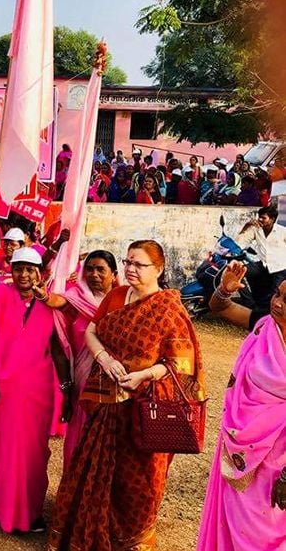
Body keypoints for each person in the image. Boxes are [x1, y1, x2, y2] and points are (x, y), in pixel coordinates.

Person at [48, 240, 205, 550]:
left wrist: (144, 375)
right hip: (107, 403)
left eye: (139, 264)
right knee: (96, 469)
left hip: (146, 408)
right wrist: (104, 358)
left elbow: (180, 363)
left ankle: (130, 539)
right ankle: (89, 533)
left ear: (158, 269)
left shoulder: (168, 308)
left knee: (140, 482)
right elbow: (92, 331)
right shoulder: (118, 295)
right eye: (128, 262)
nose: (131, 269)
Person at [0, 247, 71, 534]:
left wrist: (67, 390)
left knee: (34, 454)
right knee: (2, 450)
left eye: (30, 269)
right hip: (5, 390)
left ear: (40, 272)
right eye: (19, 268)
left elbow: (60, 354)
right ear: (11, 271)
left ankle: (32, 514)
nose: (24, 274)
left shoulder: (50, 304)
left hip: (37, 393)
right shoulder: (2, 294)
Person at [197, 270, 286, 550]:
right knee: (235, 519)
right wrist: (224, 289)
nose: (278, 303)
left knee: (265, 531)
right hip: (239, 442)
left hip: (279, 458)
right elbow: (220, 308)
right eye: (278, 294)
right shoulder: (264, 327)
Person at [36, 251, 119, 465]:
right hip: (82, 384)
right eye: (89, 269)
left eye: (101, 269)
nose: (94, 274)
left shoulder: (124, 303)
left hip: (115, 382)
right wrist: (44, 296)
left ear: (114, 274)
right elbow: (57, 301)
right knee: (78, 438)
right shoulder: (76, 300)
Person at [238, 204, 286, 306]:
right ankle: (250, 305)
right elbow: (240, 243)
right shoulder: (256, 229)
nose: (260, 220)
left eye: (263, 218)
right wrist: (246, 227)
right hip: (263, 265)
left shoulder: (282, 231)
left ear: (272, 219)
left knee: (274, 296)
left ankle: (268, 317)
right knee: (238, 273)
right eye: (259, 217)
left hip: (280, 267)